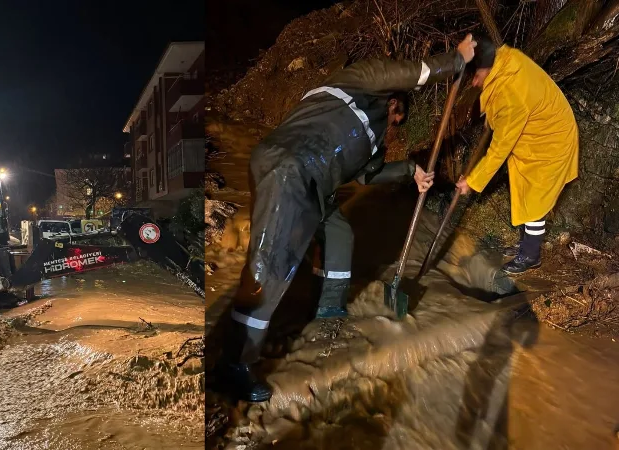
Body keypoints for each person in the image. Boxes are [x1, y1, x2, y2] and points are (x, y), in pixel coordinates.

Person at [216, 36, 478, 402]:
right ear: (392, 100)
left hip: (315, 184)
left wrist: (412, 170)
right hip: (288, 166)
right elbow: (406, 73)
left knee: (339, 231)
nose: (395, 124)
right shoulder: (351, 84)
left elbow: (369, 175)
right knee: (271, 264)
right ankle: (235, 364)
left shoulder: (373, 138)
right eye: (396, 116)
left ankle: (328, 306)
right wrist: (454, 61)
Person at [456, 35, 579, 275]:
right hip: (537, 134)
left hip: (552, 142)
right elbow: (499, 99)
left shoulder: (510, 96)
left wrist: (472, 181)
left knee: (534, 201)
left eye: (476, 76)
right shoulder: (505, 59)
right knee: (523, 191)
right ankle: (525, 245)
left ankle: (530, 256)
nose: (473, 83)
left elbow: (499, 149)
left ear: (487, 69)